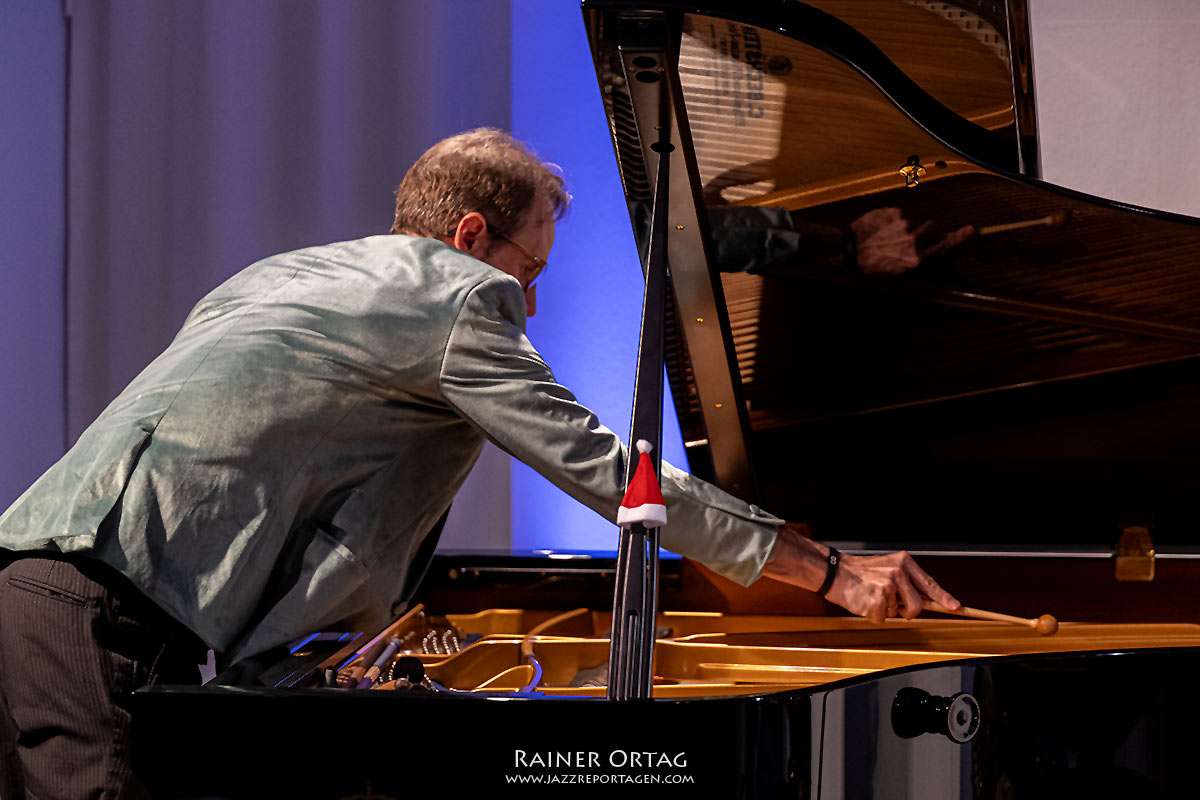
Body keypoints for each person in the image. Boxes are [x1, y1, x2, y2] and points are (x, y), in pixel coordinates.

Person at [0, 128, 959, 799]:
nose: (531, 304)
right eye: (531, 273)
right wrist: (826, 571)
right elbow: (605, 472)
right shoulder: (456, 300)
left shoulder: (286, 272)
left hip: (42, 591)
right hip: (98, 618)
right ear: (469, 239)